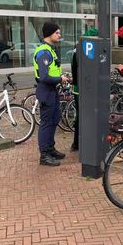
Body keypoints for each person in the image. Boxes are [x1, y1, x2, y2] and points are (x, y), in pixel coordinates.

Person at [33, 22, 70, 166]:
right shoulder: (43, 52)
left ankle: (50, 148)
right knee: (46, 123)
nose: (59, 35)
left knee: (55, 119)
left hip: (52, 90)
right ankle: (44, 155)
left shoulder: (50, 49)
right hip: (46, 90)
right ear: (49, 34)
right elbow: (44, 77)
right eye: (57, 33)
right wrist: (60, 79)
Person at [69, 27, 98, 152]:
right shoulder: (87, 49)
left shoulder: (78, 48)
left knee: (80, 116)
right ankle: (82, 143)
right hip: (84, 89)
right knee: (85, 116)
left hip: (78, 88)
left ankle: (77, 143)